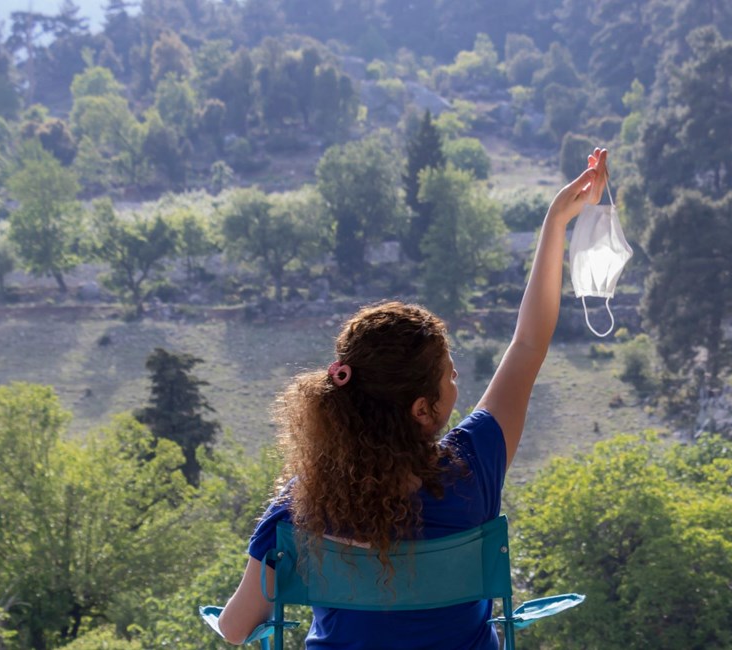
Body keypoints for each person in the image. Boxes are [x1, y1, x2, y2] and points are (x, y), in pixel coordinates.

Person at [218, 148, 609, 648]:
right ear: (422, 411)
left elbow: (234, 628)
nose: (457, 382)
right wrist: (557, 222)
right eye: (448, 375)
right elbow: (529, 344)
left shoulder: (306, 498)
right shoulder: (474, 466)